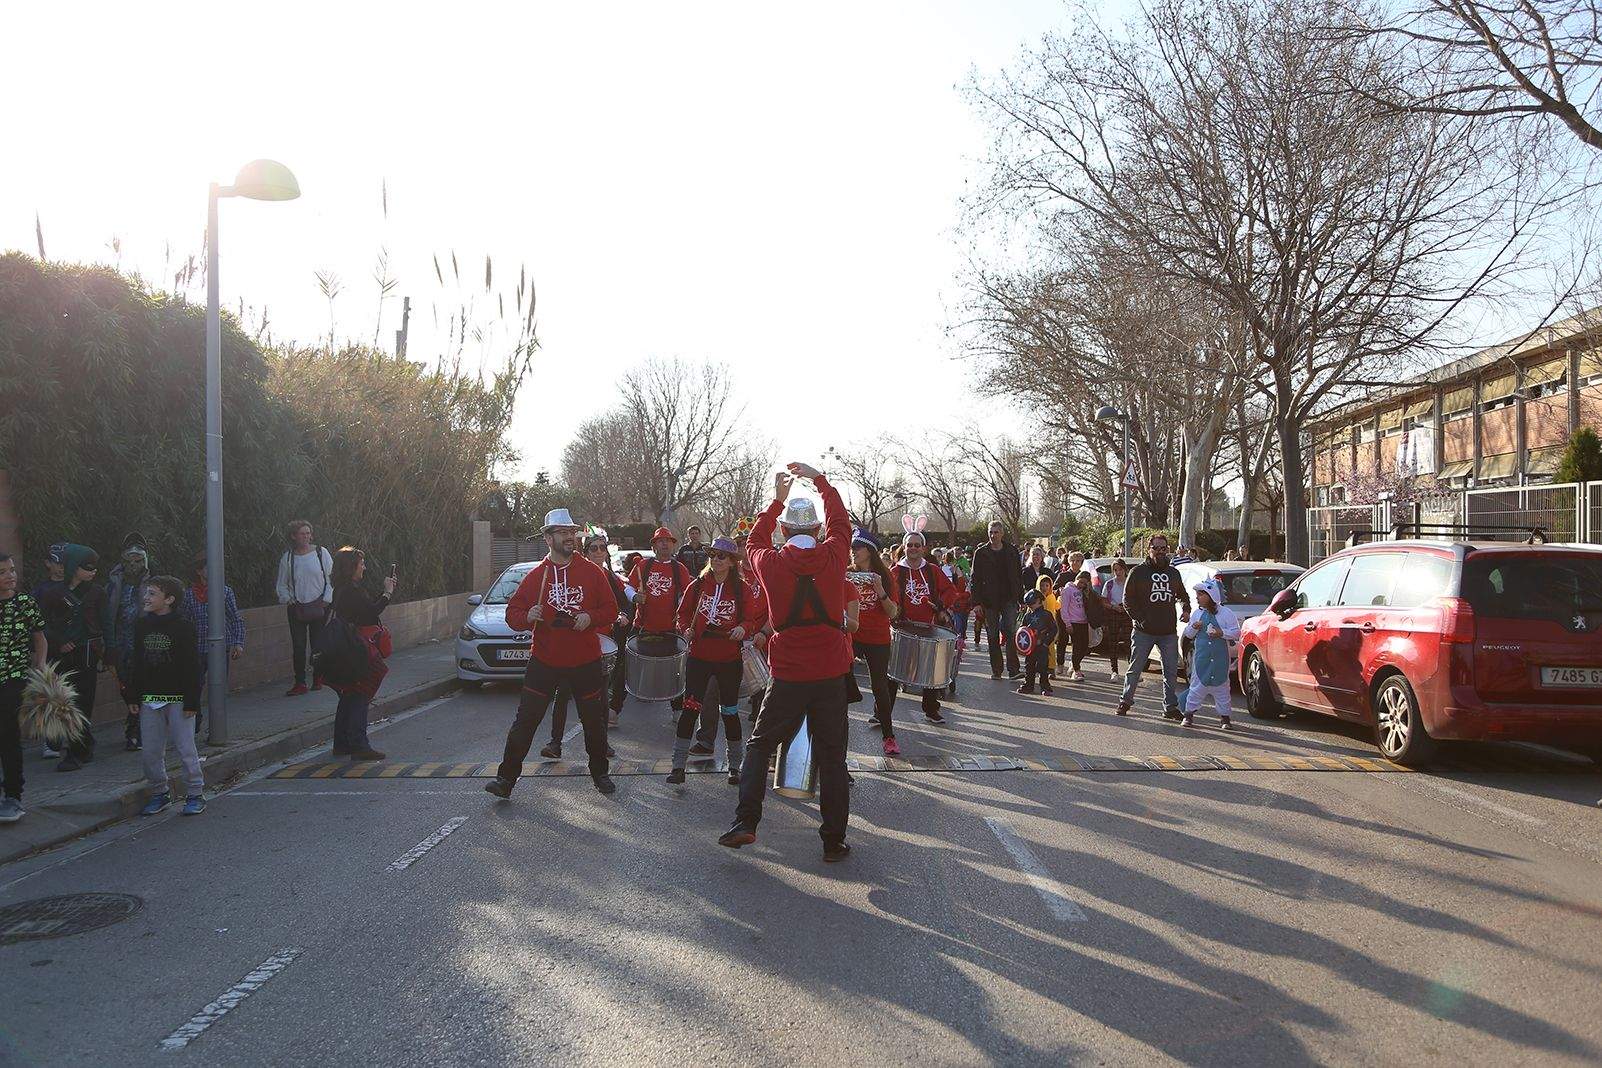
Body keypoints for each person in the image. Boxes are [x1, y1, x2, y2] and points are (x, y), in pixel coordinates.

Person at [720, 463, 853, 862]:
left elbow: (754, 540)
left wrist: (776, 501)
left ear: (785, 532)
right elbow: (841, 520)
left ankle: (746, 821)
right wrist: (821, 482)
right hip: (830, 672)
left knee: (760, 746)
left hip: (789, 674)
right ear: (816, 531)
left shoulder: (770, 562)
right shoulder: (835, 554)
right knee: (832, 757)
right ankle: (833, 841)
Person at [487, 509, 620, 798]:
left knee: (593, 721)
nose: (570, 537)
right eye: (562, 532)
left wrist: (590, 617)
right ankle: (506, 780)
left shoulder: (592, 572)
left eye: (572, 532)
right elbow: (513, 613)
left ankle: (600, 774)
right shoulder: (536, 576)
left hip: (585, 660)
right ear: (548, 538)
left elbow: (611, 609)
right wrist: (528, 616)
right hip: (544, 661)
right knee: (525, 721)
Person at [669, 537, 767, 785]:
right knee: (690, 711)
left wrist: (743, 630)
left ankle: (735, 766)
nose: (715, 559)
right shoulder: (699, 584)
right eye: (712, 554)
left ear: (733, 561)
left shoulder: (742, 589)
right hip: (699, 658)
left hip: (728, 660)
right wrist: (685, 629)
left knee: (730, 713)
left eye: (721, 555)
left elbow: (750, 619)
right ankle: (677, 767)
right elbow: (682, 614)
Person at [124, 575, 207, 816]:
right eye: (146, 593)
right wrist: (132, 696)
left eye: (152, 593)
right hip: (150, 698)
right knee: (150, 751)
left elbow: (192, 666)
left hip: (179, 699)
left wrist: (192, 700)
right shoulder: (142, 625)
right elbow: (137, 662)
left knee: (185, 748)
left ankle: (195, 792)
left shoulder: (183, 626)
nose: (146, 598)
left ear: (169, 599)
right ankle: (159, 792)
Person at [541, 533, 627, 755]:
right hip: (574, 643)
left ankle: (602, 743)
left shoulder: (611, 577)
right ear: (585, 552)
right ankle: (555, 743)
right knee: (563, 693)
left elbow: (621, 605)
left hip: (601, 646)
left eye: (602, 548)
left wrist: (621, 615)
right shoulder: (578, 574)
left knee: (599, 699)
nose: (599, 552)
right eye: (594, 548)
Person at [37, 544, 105, 771]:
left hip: (87, 654)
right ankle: (79, 747)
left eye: (95, 567)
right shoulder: (52, 593)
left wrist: (109, 654)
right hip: (61, 657)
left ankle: (78, 749)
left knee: (83, 702)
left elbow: (106, 625)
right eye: (87, 567)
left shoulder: (96, 592)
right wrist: (57, 642)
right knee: (67, 704)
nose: (93, 571)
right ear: (74, 567)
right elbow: (39, 624)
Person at [326, 547, 395, 761]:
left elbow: (365, 608)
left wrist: (383, 595)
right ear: (351, 567)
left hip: (344, 648)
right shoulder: (351, 591)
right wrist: (387, 593)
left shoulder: (342, 589)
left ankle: (342, 743)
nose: (364, 567)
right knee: (359, 694)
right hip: (354, 649)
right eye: (361, 563)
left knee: (348, 695)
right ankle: (358, 744)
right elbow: (371, 613)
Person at [1116, 535, 1192, 720]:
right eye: (1156, 548)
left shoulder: (1173, 573)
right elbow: (1127, 600)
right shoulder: (1138, 572)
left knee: (1171, 672)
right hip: (1144, 631)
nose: (1160, 551)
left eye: (1163, 548)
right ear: (1149, 549)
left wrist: (1186, 609)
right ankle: (1125, 702)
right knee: (1135, 668)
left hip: (1168, 631)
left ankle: (1170, 707)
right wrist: (1140, 619)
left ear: (1167, 550)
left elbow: (1182, 594)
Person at [891, 524, 957, 724]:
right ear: (904, 547)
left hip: (929, 626)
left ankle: (931, 710)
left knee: (931, 672)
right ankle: (881, 712)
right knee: (892, 674)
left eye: (917, 545)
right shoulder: (895, 571)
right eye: (909, 545)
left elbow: (950, 590)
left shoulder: (932, 570)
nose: (913, 548)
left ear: (923, 548)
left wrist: (942, 605)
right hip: (902, 628)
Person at [0, 553, 47, 823]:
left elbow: (39, 639)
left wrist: (40, 664)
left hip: (14, 677)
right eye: (3, 572)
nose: (11, 576)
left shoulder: (25, 603)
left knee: (8, 734)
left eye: (12, 570)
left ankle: (13, 795)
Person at [628, 527, 693, 717]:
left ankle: (677, 709)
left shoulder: (679, 568)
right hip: (642, 625)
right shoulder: (642, 566)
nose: (664, 544)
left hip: (670, 628)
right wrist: (634, 597)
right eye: (660, 541)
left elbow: (687, 594)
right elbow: (628, 587)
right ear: (654, 546)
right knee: (628, 664)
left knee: (676, 671)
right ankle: (616, 708)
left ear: (673, 545)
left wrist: (682, 603)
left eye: (668, 541)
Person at [845, 529, 900, 755]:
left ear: (870, 551)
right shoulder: (846, 573)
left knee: (880, 687)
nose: (853, 551)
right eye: (852, 547)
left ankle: (889, 736)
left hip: (877, 637)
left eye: (857, 547)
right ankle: (838, 740)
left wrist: (880, 591)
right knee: (839, 681)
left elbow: (893, 613)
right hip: (852, 635)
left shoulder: (885, 576)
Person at [181, 553, 245, 738]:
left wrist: (238, 643)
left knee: (217, 687)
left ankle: (216, 727)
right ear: (199, 571)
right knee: (194, 686)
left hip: (220, 648)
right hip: (196, 648)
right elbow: (184, 622)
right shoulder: (189, 595)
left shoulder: (224, 591)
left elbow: (235, 618)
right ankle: (194, 722)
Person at [276, 520, 333, 698]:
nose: (306, 537)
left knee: (317, 644)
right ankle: (300, 682)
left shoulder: (320, 552)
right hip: (297, 608)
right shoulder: (288, 558)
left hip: (319, 605)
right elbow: (282, 584)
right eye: (302, 533)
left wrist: (326, 599)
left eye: (308, 533)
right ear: (294, 536)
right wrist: (288, 599)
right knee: (299, 646)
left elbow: (331, 577)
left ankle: (318, 677)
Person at [104, 536, 152, 751]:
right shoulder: (114, 584)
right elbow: (107, 615)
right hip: (121, 642)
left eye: (138, 560)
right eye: (129, 561)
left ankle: (137, 728)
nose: (133, 566)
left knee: (142, 684)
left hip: (145, 643)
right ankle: (134, 722)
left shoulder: (154, 582)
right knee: (125, 685)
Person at [1181, 578, 1240, 729]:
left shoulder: (1226, 613)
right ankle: (1188, 714)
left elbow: (1236, 632)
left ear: (1211, 595)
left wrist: (1222, 633)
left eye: (1201, 594)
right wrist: (1194, 627)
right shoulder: (1197, 614)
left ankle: (1225, 718)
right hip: (1202, 660)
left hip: (1220, 660)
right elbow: (1188, 633)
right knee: (1197, 686)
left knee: (1222, 689)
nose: (1197, 598)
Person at [969, 521, 1024, 680]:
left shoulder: (1012, 551)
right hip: (988, 600)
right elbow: (975, 579)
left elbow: (1017, 577)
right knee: (992, 635)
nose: (993, 535)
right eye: (991, 532)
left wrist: (1021, 598)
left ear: (1002, 534)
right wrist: (976, 603)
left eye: (996, 532)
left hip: (1009, 598)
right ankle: (997, 669)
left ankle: (1013, 669)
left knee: (1010, 632)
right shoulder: (981, 553)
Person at [1016, 589, 1058, 696]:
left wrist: (1046, 642)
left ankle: (1045, 686)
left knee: (1043, 667)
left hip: (1042, 646)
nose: (1030, 606)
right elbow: (1022, 629)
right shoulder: (1027, 616)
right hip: (1030, 648)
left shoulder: (1046, 615)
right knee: (1029, 666)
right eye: (1028, 604)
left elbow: (1053, 629)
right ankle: (1028, 685)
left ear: (1039, 601)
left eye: (1032, 603)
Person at [946, 551, 971, 698]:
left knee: (955, 643)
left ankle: (951, 676)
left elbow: (962, 588)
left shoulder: (958, 573)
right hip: (946, 613)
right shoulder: (942, 572)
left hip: (956, 612)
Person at [1101, 558, 1130, 680]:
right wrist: (1113, 607)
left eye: (1120, 569)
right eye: (1115, 570)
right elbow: (1103, 601)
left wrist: (1126, 607)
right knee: (1113, 642)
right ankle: (1114, 670)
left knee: (1129, 641)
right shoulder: (1109, 584)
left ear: (1125, 570)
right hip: (1114, 612)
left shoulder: (1130, 582)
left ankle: (1132, 670)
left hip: (1128, 613)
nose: (1118, 572)